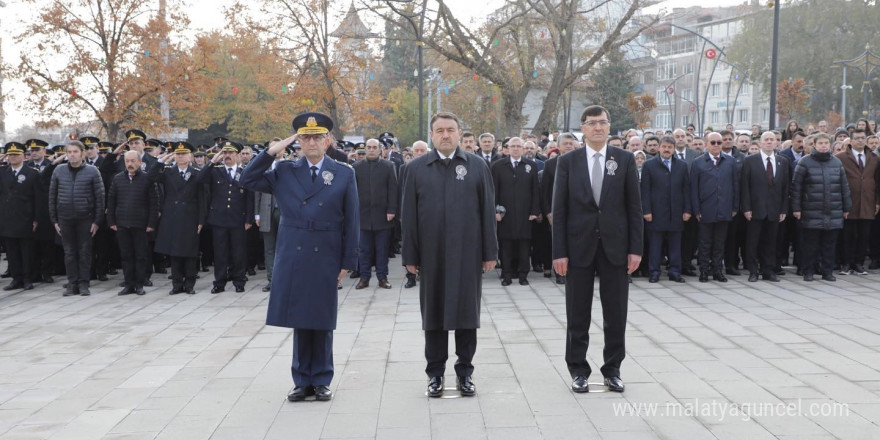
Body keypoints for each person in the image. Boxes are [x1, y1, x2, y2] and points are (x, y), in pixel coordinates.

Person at [241, 112, 359, 403]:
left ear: (327, 140)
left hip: (326, 250)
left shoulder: (344, 172)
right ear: (297, 142)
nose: (312, 142)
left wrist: (348, 261)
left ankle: (321, 379)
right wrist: (271, 151)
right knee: (299, 318)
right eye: (305, 138)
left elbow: (352, 220)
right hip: (294, 250)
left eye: (317, 137)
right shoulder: (284, 170)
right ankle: (300, 380)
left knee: (321, 318)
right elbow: (248, 178)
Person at [401, 111, 497, 398]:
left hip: (468, 254)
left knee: (467, 316)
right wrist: (410, 255)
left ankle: (465, 372)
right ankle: (435, 374)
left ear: (459, 134)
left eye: (450, 130)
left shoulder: (477, 166)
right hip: (431, 255)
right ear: (432, 135)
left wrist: (490, 251)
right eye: (440, 130)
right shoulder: (416, 168)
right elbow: (408, 216)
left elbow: (487, 212)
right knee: (433, 316)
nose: (445, 134)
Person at [552, 105, 642, 393]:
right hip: (578, 247)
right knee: (577, 312)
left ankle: (612, 368)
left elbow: (634, 208)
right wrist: (559, 251)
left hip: (616, 247)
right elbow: (560, 209)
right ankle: (578, 369)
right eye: (592, 123)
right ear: (583, 128)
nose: (598, 128)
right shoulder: (568, 162)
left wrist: (635, 249)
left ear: (609, 125)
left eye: (603, 122)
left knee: (615, 313)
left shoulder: (624, 160)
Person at [48, 141, 105, 296]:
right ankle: (72, 283)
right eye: (69, 152)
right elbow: (52, 196)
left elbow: (100, 198)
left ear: (82, 153)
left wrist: (97, 221)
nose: (72, 154)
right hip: (65, 218)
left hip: (85, 218)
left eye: (75, 151)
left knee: (85, 252)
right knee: (69, 253)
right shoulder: (59, 171)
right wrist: (54, 220)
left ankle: (84, 283)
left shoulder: (93, 171)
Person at [792, 133, 851, 281]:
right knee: (810, 245)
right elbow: (796, 188)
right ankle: (808, 271)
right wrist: (796, 208)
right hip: (811, 210)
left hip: (833, 210)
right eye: (821, 143)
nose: (824, 146)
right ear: (815, 145)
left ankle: (827, 272)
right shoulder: (804, 162)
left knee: (829, 245)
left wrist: (846, 207)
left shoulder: (837, 162)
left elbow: (844, 187)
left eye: (826, 143)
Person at [151, 143, 206, 295]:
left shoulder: (197, 172)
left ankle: (189, 284)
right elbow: (151, 177)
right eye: (178, 154)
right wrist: (161, 161)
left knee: (190, 253)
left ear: (190, 156)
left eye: (184, 154)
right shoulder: (168, 171)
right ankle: (176, 284)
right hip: (173, 216)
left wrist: (201, 220)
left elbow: (203, 198)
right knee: (174, 253)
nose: (180, 156)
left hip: (191, 216)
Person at [200, 141, 254, 293]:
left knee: (238, 252)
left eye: (230, 153)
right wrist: (212, 161)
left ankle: (239, 281)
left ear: (237, 155)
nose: (227, 156)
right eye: (225, 153)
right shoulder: (215, 171)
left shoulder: (244, 172)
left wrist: (249, 219)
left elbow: (249, 197)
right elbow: (200, 178)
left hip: (238, 219)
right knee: (220, 253)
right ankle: (219, 282)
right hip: (219, 220)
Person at [107, 151, 160, 296]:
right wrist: (111, 221)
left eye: (132, 161)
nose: (129, 164)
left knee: (141, 256)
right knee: (126, 256)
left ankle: (139, 284)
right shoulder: (117, 179)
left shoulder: (147, 179)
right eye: (127, 161)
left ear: (139, 162)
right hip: (122, 224)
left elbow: (154, 203)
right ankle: (128, 284)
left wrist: (151, 223)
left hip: (141, 224)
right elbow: (111, 201)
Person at [640, 136, 690, 283]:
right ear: (660, 148)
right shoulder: (649, 165)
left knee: (675, 245)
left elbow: (686, 189)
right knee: (655, 245)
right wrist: (646, 211)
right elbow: (645, 190)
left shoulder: (681, 165)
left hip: (676, 212)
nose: (667, 150)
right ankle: (654, 272)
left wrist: (687, 210)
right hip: (656, 213)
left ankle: (675, 272)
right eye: (664, 147)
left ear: (674, 149)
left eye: (670, 147)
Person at [741, 132, 790, 282]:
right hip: (755, 209)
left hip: (774, 210)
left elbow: (785, 188)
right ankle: (753, 271)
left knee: (771, 242)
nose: (769, 142)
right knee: (753, 242)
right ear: (760, 143)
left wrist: (783, 209)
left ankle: (768, 270)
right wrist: (747, 208)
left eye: (772, 140)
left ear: (776, 143)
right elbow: (745, 186)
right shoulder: (750, 161)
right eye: (766, 140)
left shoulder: (783, 161)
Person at [491, 137, 540, 286]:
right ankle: (506, 275)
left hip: (525, 214)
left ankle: (523, 275)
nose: (516, 148)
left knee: (524, 246)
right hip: (505, 214)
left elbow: (535, 191)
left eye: (519, 146)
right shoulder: (498, 166)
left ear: (523, 149)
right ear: (507, 148)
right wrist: (495, 211)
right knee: (506, 246)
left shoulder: (530, 165)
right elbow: (494, 190)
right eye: (513, 146)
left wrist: (535, 211)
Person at [690, 132, 738, 283]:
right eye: (713, 143)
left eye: (719, 142)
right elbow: (694, 189)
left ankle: (718, 271)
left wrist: (735, 206)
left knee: (719, 243)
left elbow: (735, 186)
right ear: (706, 144)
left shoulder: (730, 161)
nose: (716, 145)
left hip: (724, 208)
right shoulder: (698, 162)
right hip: (706, 209)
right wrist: (696, 210)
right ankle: (704, 271)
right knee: (705, 243)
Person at [352, 138, 398, 289]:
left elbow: (393, 189)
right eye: (369, 147)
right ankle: (364, 278)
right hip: (362, 215)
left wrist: (392, 210)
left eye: (374, 147)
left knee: (382, 249)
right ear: (365, 149)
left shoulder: (388, 166)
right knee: (363, 250)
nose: (371, 150)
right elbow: (352, 193)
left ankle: (382, 277)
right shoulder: (356, 167)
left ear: (380, 149)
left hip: (383, 215)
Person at [835, 128, 879, 275]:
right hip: (849, 203)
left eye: (862, 138)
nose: (860, 140)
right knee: (848, 235)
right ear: (851, 140)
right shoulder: (841, 157)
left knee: (864, 235)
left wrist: (877, 202)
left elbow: (877, 182)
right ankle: (846, 263)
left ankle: (859, 263)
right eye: (857, 138)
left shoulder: (874, 158)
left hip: (867, 203)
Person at [0, 143, 41, 291]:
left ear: (24, 156)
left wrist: (36, 218)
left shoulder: (32, 173)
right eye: (10, 155)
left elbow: (38, 198)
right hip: (7, 218)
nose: (13, 157)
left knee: (27, 250)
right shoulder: (2, 172)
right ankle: (16, 278)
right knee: (11, 251)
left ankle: (27, 278)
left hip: (25, 217)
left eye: (16, 154)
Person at [254, 144, 285, 293]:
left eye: (279, 147)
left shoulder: (290, 166)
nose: (277, 150)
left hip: (284, 212)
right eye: (274, 148)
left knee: (285, 247)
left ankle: (284, 279)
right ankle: (272, 280)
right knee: (269, 248)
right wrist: (257, 214)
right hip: (266, 212)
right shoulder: (264, 167)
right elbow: (257, 192)